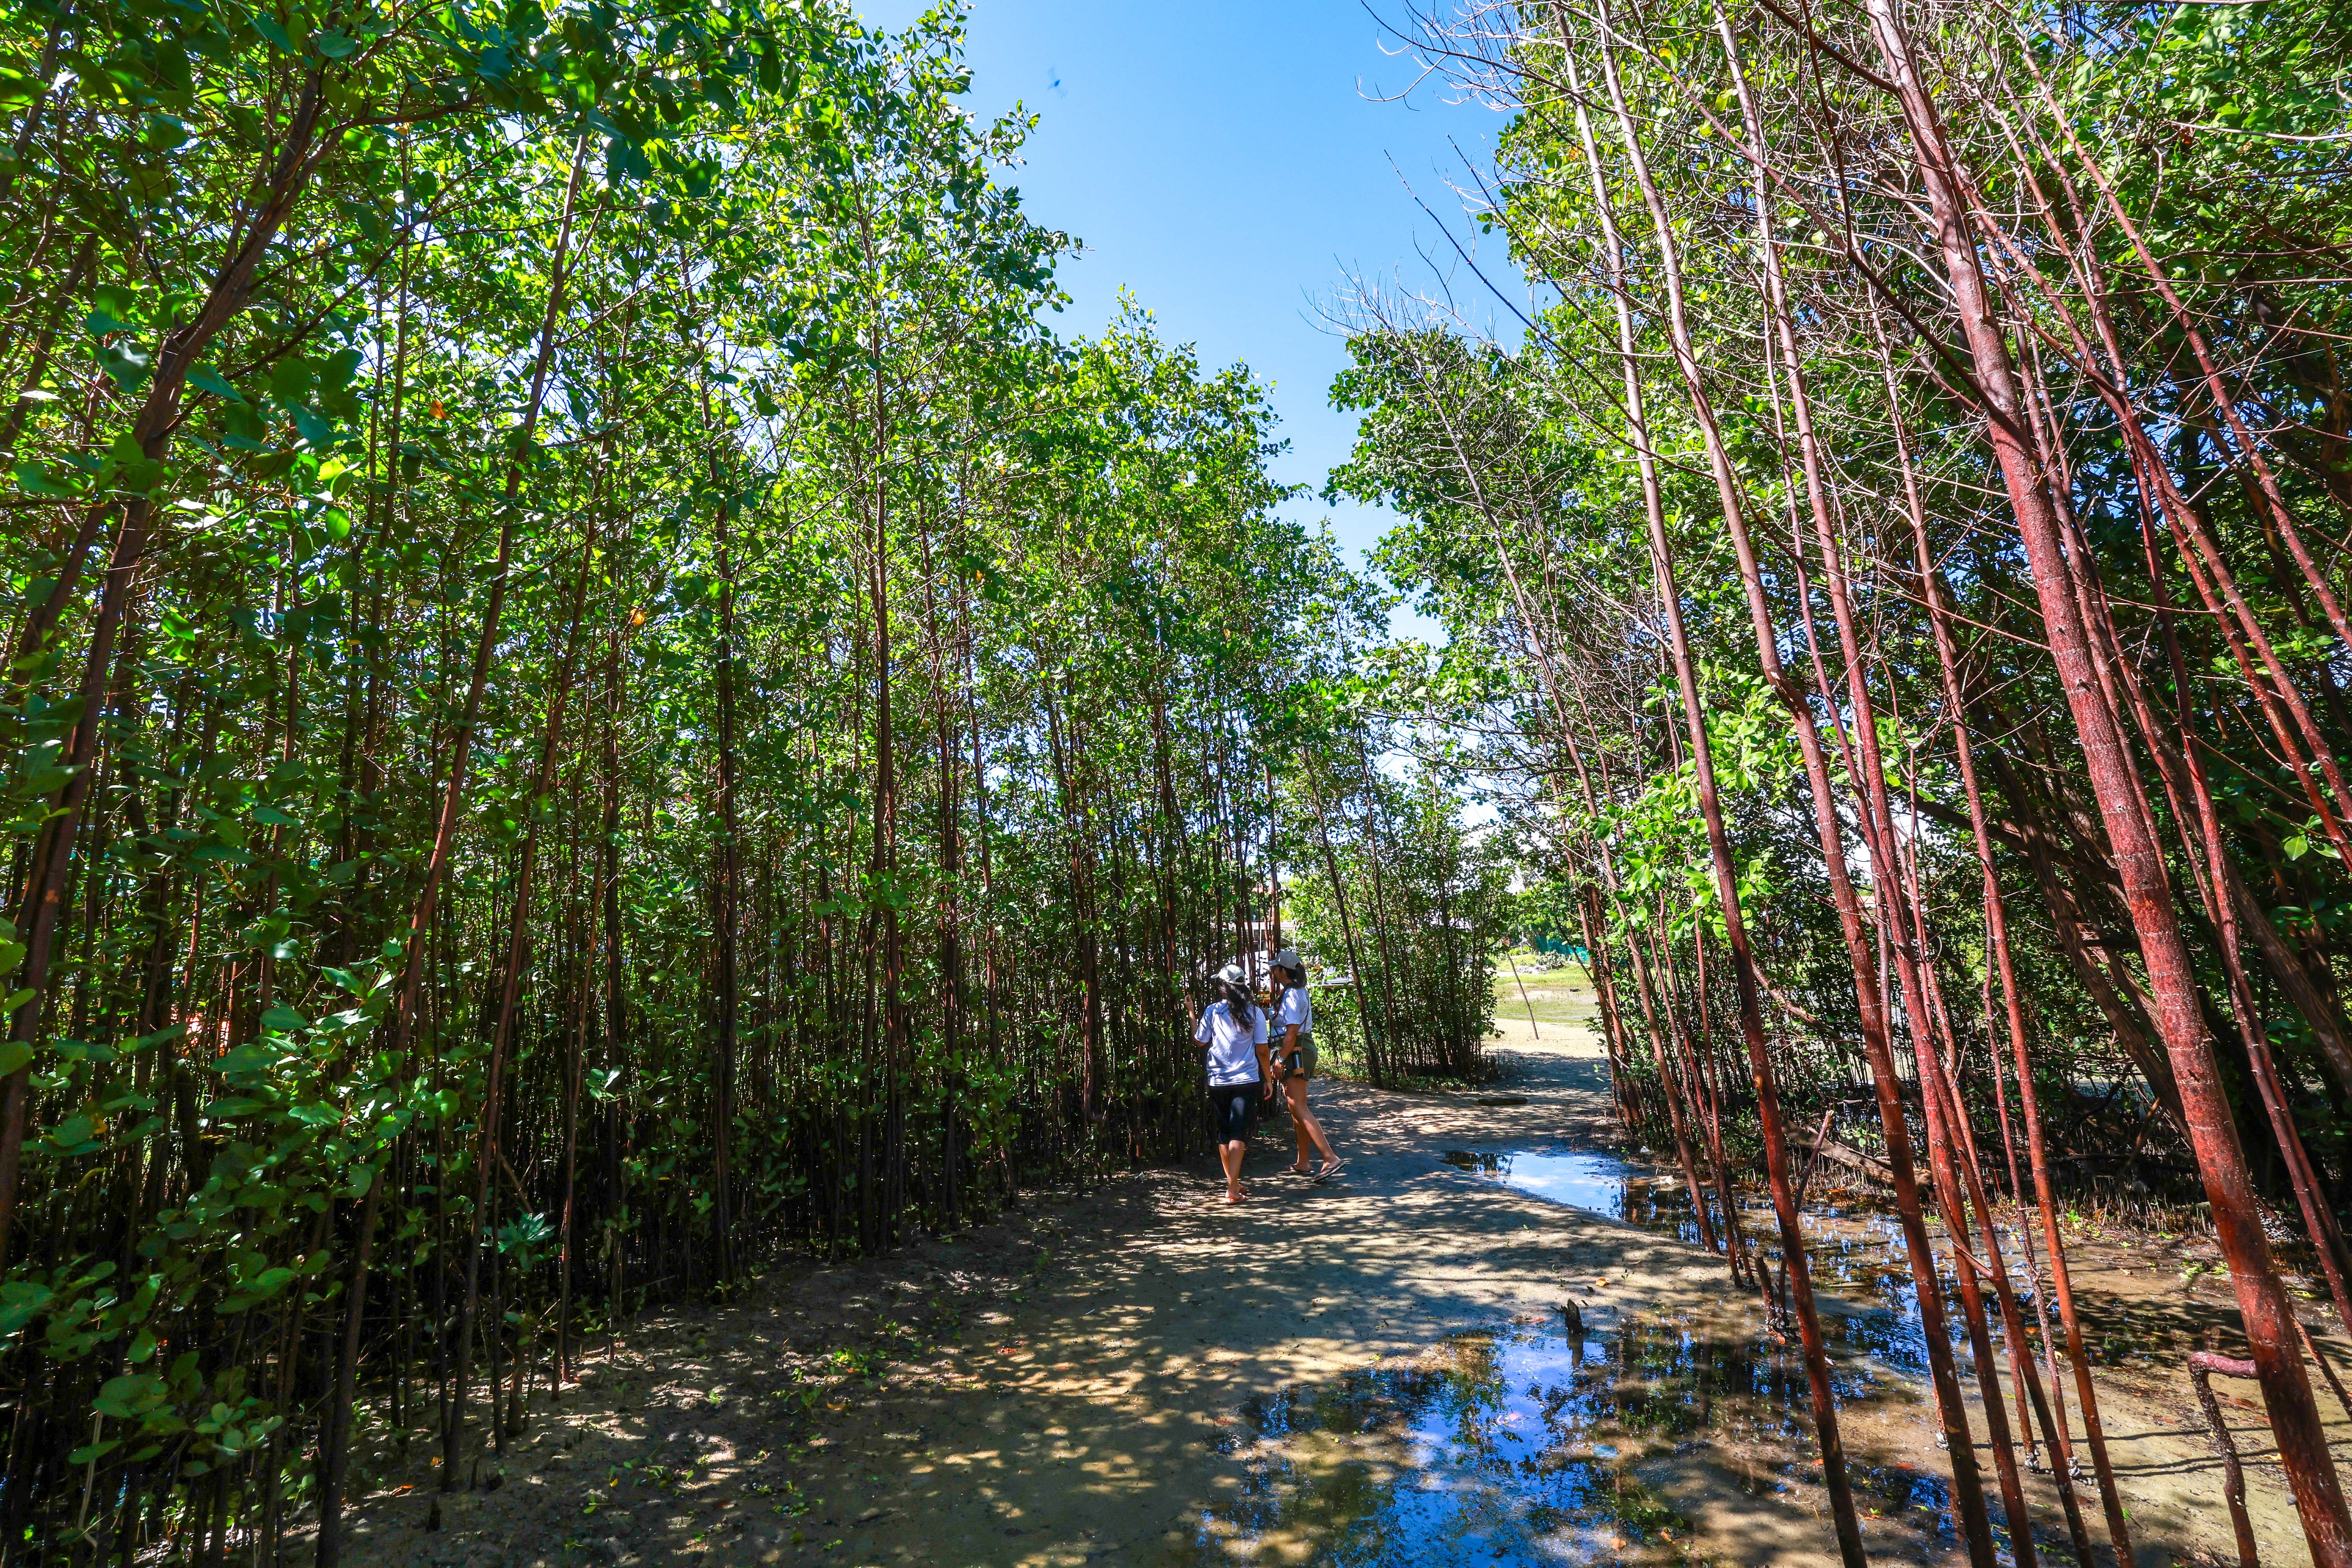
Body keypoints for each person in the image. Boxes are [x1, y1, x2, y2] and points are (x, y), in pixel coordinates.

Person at [1197, 961, 1273, 1204]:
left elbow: (1200, 1041)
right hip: (1246, 1079)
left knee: (1224, 1132)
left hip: (1218, 1080)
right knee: (1238, 1132)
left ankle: (1232, 1185)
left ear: (1223, 986)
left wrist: (1190, 1013)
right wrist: (1268, 1079)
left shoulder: (1213, 1011)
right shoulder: (1255, 1013)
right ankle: (1232, 1187)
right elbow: (1263, 1051)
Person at [1269, 949, 1341, 1180]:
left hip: (1294, 1050)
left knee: (1298, 1107)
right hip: (1301, 1048)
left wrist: (1280, 1060)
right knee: (1296, 1107)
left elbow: (1291, 1033)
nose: (1273, 972)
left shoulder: (1292, 995)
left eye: (1276, 968)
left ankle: (1330, 1157)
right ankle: (1304, 1161)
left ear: (1284, 971)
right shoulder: (1297, 991)